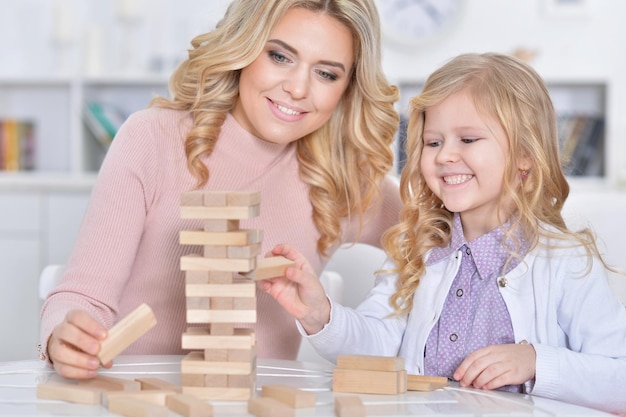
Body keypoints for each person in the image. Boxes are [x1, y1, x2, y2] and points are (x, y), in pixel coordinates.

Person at [40, 0, 401, 379]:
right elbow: (81, 295)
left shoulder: (341, 179)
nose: (297, 88)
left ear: (347, 88)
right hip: (134, 394)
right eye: (279, 56)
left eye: (326, 74)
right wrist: (61, 338)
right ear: (243, 49)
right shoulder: (152, 138)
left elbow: (450, 237)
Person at [262, 53, 626, 413]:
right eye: (434, 142)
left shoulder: (563, 260)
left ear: (524, 155)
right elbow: (376, 346)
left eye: (468, 140)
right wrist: (319, 314)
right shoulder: (415, 248)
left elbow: (619, 378)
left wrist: (535, 362)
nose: (445, 156)